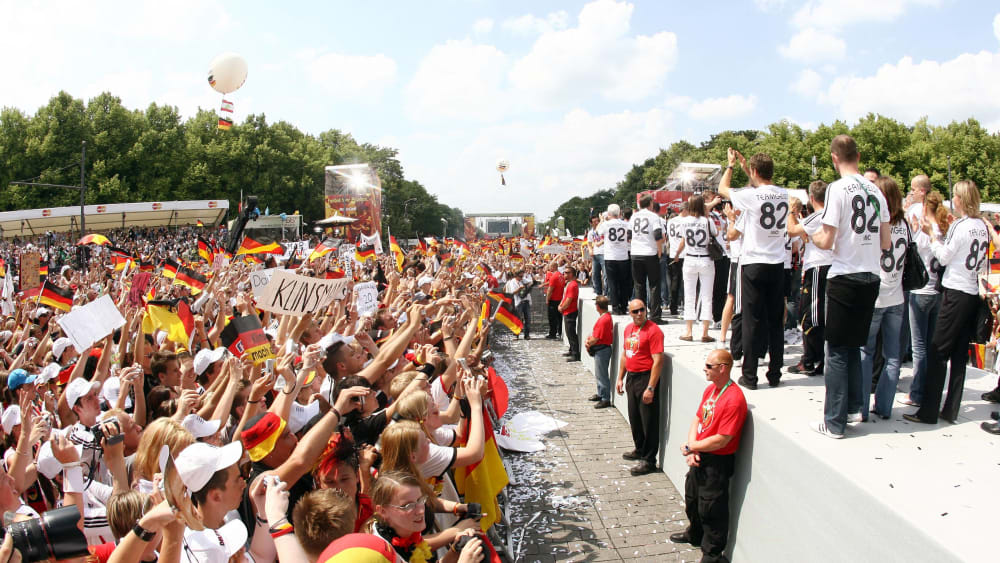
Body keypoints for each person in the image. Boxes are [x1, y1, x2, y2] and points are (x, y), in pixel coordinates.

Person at [809, 134, 890, 439]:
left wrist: (811, 235)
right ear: (858, 155)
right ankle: (854, 407)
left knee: (837, 352)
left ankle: (834, 422)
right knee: (855, 347)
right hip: (871, 276)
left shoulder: (836, 189)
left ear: (833, 158)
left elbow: (827, 241)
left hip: (844, 276)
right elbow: (885, 242)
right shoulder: (876, 192)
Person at [904, 180, 993, 425]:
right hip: (972, 292)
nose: (952, 199)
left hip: (955, 291)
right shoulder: (982, 227)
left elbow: (943, 257)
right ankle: (950, 408)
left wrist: (932, 236)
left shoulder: (961, 226)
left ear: (961, 199)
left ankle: (928, 411)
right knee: (958, 355)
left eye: (955, 196)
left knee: (937, 351)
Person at [717, 149, 788, 389]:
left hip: (754, 263)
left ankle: (750, 375)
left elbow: (722, 189)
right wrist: (750, 169)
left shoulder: (751, 197)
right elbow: (762, 187)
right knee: (776, 322)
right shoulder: (784, 194)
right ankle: (775, 372)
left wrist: (731, 166)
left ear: (755, 172)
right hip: (778, 264)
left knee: (751, 320)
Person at [671, 349, 747, 563]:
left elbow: (723, 439)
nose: (704, 369)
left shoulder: (733, 399)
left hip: (717, 461)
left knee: (712, 508)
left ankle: (712, 554)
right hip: (701, 454)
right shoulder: (711, 390)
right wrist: (693, 449)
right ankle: (694, 533)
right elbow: (698, 420)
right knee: (693, 498)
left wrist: (691, 445)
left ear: (722, 368)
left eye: (709, 366)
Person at [861, 177, 909, 421]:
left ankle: (860, 408)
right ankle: (885, 407)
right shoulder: (906, 224)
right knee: (892, 357)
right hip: (897, 296)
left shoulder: (876, 223)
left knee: (866, 352)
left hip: (876, 295)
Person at [902, 190, 948, 408]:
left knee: (919, 347)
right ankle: (928, 390)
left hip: (921, 291)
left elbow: (911, 252)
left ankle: (917, 393)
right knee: (929, 345)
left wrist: (914, 229)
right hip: (937, 292)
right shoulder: (943, 229)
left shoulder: (925, 231)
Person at [615, 299, 664, 476]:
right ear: (630, 313)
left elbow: (658, 360)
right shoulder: (629, 329)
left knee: (649, 421)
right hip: (632, 377)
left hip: (645, 377)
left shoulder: (654, 331)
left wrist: (651, 387)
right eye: (635, 311)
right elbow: (625, 355)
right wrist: (620, 377)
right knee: (635, 418)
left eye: (641, 310)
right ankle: (639, 449)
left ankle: (649, 460)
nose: (639, 314)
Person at [787, 180, 831, 376]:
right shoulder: (831, 215)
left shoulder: (819, 215)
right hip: (828, 267)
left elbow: (792, 230)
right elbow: (806, 236)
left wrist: (791, 212)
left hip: (818, 268)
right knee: (818, 315)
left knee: (810, 316)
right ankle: (818, 357)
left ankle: (811, 359)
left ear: (812, 198)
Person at [673, 195, 719, 343]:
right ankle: (705, 332)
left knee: (689, 296)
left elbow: (683, 241)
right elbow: (716, 233)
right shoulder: (707, 221)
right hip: (706, 259)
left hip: (690, 259)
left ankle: (689, 331)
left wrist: (677, 254)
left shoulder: (684, 222)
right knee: (706, 296)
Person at [630, 195, 666, 324]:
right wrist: (659, 251)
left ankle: (639, 315)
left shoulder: (634, 216)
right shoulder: (654, 217)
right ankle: (655, 315)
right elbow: (657, 235)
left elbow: (629, 235)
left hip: (635, 253)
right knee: (654, 285)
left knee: (639, 285)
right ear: (650, 203)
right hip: (650, 253)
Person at [600, 204, 632, 315]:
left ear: (609, 214)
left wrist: (602, 219)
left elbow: (598, 233)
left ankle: (615, 307)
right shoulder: (625, 224)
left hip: (610, 257)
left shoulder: (605, 224)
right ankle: (623, 306)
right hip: (623, 256)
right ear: (619, 213)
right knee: (623, 283)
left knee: (612, 283)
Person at [585, 296, 614, 408]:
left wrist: (588, 343)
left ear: (597, 306)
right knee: (599, 374)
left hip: (602, 350)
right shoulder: (606, 317)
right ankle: (601, 393)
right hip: (602, 349)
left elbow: (596, 338)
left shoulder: (603, 319)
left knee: (602, 375)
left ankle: (605, 398)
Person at [666, 203, 689, 316]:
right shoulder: (685, 221)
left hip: (673, 252)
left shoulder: (671, 221)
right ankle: (685, 305)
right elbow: (684, 240)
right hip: (683, 253)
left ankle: (673, 306)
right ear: (685, 210)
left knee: (675, 281)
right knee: (686, 282)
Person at [558, 266, 581, 362]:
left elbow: (569, 299)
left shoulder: (573, 285)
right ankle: (572, 350)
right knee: (569, 333)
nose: (564, 274)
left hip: (570, 312)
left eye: (567, 272)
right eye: (564, 272)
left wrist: (562, 307)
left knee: (571, 334)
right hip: (567, 311)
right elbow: (565, 297)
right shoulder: (569, 284)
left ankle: (575, 354)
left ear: (572, 274)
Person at [542, 263, 565, 340]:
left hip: (553, 299)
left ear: (553, 267)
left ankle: (552, 333)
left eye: (550, 266)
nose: (549, 268)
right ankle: (559, 332)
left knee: (552, 317)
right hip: (560, 299)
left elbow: (550, 289)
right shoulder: (561, 275)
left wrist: (547, 299)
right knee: (559, 317)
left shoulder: (554, 277)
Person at [587, 215, 605, 296]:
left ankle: (606, 293)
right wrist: (590, 250)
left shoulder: (603, 229)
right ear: (591, 223)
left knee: (605, 274)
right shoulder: (591, 232)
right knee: (595, 274)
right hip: (595, 254)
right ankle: (598, 292)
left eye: (597, 221)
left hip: (603, 253)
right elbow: (589, 243)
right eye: (594, 222)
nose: (596, 223)